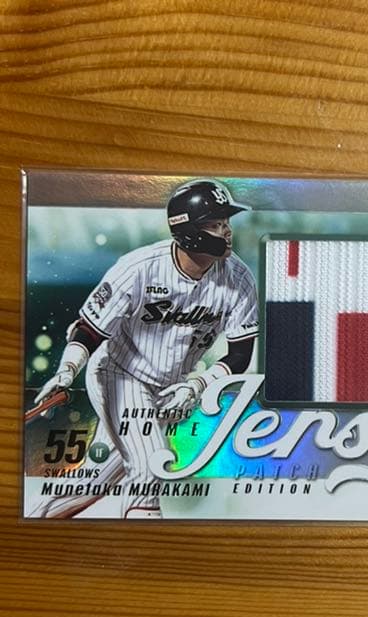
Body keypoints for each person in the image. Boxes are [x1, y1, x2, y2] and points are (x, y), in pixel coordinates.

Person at [30, 180, 258, 519]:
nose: (226, 231)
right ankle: (147, 546)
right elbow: (89, 330)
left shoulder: (239, 278)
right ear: (187, 230)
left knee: (94, 483)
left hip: (170, 387)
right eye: (214, 223)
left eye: (226, 222)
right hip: (119, 373)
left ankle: (33, 524)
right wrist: (67, 370)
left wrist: (197, 385)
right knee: (151, 464)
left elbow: (240, 354)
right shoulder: (139, 267)